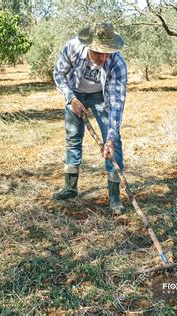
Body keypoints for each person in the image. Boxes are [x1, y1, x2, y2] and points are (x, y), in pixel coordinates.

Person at [52, 22, 128, 214]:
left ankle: (114, 198)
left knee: (114, 143)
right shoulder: (72, 48)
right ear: (89, 46)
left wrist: (110, 138)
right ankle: (70, 188)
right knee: (72, 138)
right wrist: (71, 99)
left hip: (101, 96)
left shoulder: (117, 64)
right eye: (99, 52)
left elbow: (116, 104)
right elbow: (59, 74)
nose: (103, 58)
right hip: (75, 92)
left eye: (107, 52)